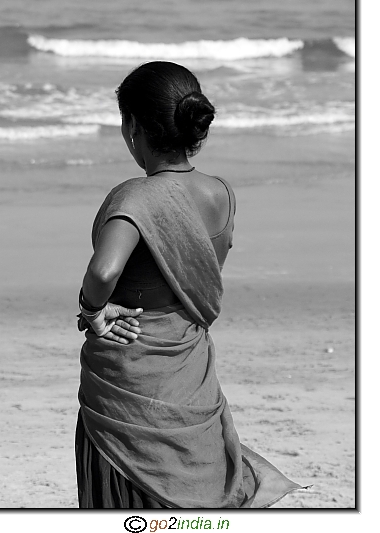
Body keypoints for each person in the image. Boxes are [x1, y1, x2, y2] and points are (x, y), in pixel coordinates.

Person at [75, 61, 302, 508]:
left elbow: (103, 272)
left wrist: (92, 313)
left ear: (134, 125)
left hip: (130, 374)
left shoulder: (135, 196)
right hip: (187, 368)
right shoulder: (220, 193)